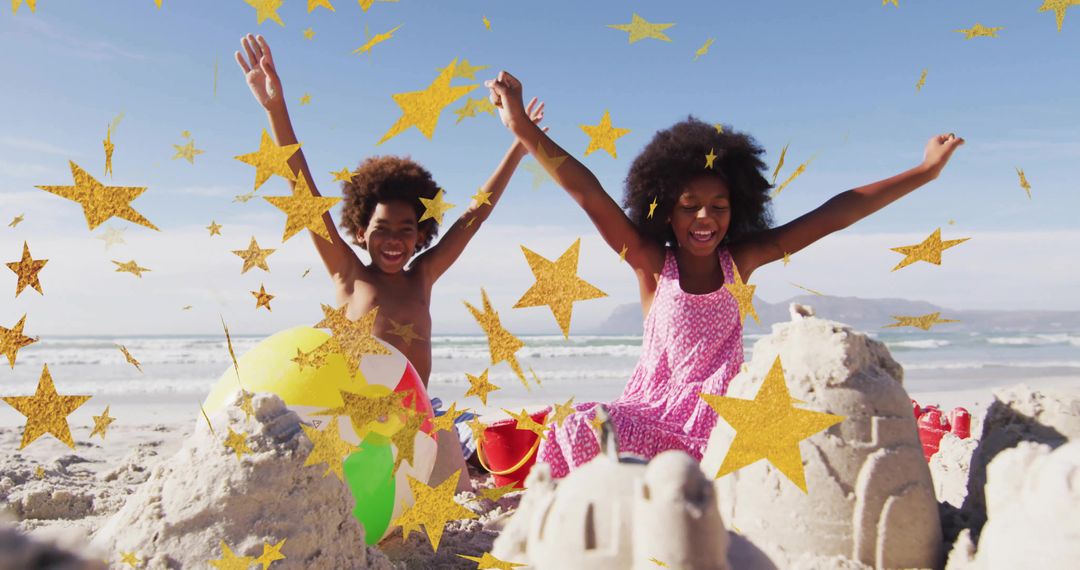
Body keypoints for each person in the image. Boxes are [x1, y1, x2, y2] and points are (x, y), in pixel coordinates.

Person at [485, 70, 964, 478]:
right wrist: (524, 127)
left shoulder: (743, 261)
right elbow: (587, 193)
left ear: (739, 208)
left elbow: (836, 213)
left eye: (719, 206)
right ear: (665, 210)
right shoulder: (652, 264)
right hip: (650, 415)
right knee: (581, 424)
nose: (704, 219)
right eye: (689, 207)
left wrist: (924, 171)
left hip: (721, 420)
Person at [235, 34, 544, 492]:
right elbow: (304, 191)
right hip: (355, 420)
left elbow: (475, 216)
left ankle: (477, 454)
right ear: (361, 230)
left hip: (421, 416)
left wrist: (519, 145)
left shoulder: (423, 276)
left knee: (475, 454)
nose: (394, 239)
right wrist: (275, 109)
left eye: (406, 229)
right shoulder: (348, 272)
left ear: (422, 235)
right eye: (382, 228)